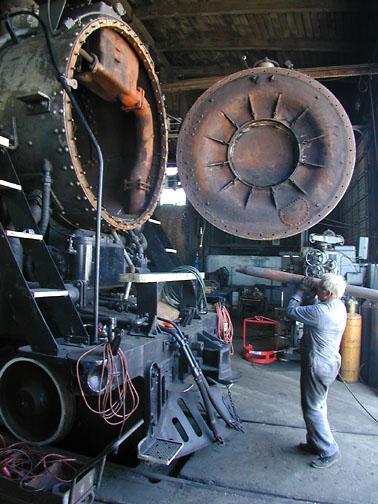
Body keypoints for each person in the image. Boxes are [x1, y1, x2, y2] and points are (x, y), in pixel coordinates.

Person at [287, 273, 347, 469]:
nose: (319, 290)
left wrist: (299, 292)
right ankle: (315, 442)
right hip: (329, 362)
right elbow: (315, 308)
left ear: (328, 293)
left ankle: (329, 450)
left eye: (321, 289)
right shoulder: (338, 306)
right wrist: (313, 294)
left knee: (312, 409)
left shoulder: (322, 313)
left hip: (318, 364)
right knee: (318, 405)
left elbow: (292, 311)